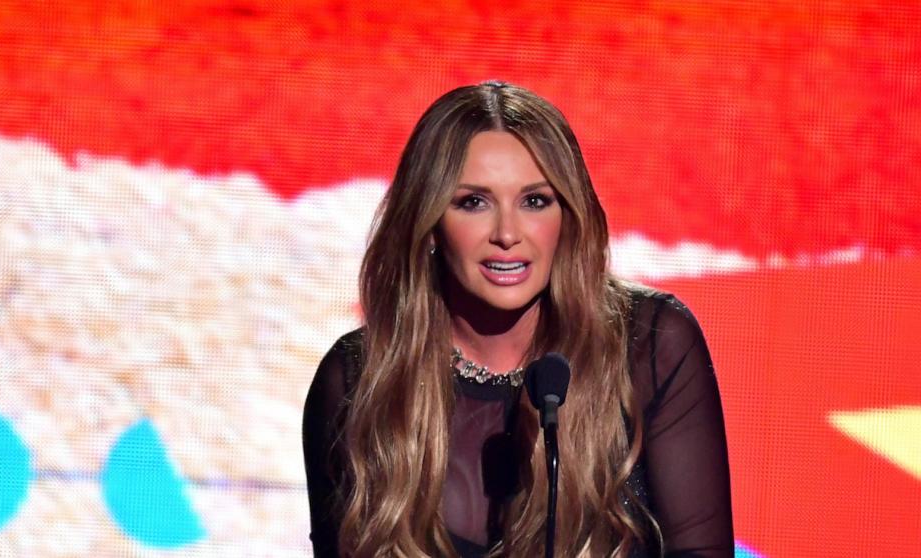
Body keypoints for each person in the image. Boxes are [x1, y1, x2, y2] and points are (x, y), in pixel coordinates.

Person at [302, 81, 733, 557]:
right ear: (428, 224)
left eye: (534, 201)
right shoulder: (359, 376)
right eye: (473, 202)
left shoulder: (650, 345)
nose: (507, 234)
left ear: (567, 216)